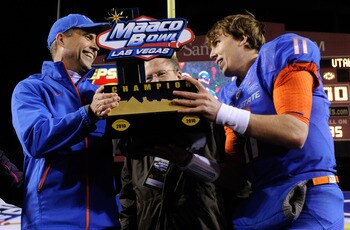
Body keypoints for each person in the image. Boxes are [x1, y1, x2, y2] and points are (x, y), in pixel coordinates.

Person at [171, 13, 344, 229]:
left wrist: (220, 112)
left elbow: (295, 132)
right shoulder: (229, 95)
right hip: (263, 201)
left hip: (308, 196)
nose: (213, 54)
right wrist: (184, 159)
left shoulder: (277, 54)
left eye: (217, 43)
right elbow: (236, 178)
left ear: (243, 37)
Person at [11, 13, 121, 229]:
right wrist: (88, 115)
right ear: (61, 39)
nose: (96, 46)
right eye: (88, 37)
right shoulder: (31, 88)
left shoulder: (100, 93)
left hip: (104, 218)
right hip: (52, 218)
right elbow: (35, 138)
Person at [117, 56, 244, 230]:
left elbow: (236, 183)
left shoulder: (208, 120)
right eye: (148, 78)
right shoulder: (136, 134)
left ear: (179, 76)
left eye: (161, 74)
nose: (155, 82)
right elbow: (128, 199)